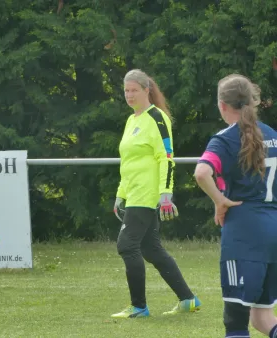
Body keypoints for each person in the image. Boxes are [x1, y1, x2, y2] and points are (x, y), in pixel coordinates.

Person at [111, 69, 201, 318]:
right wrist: (121, 195)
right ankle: (188, 299)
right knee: (150, 249)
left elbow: (167, 157)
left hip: (148, 195)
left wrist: (165, 194)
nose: (129, 95)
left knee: (126, 245)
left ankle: (139, 307)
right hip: (133, 195)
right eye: (126, 90)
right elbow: (127, 162)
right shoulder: (132, 120)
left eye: (134, 90)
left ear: (146, 90)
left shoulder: (157, 118)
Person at [194, 74, 277, 338]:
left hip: (245, 235)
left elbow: (201, 173)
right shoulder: (273, 135)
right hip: (273, 231)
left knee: (236, 322)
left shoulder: (226, 138)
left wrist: (220, 200)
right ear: (253, 101)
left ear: (222, 105)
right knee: (263, 317)